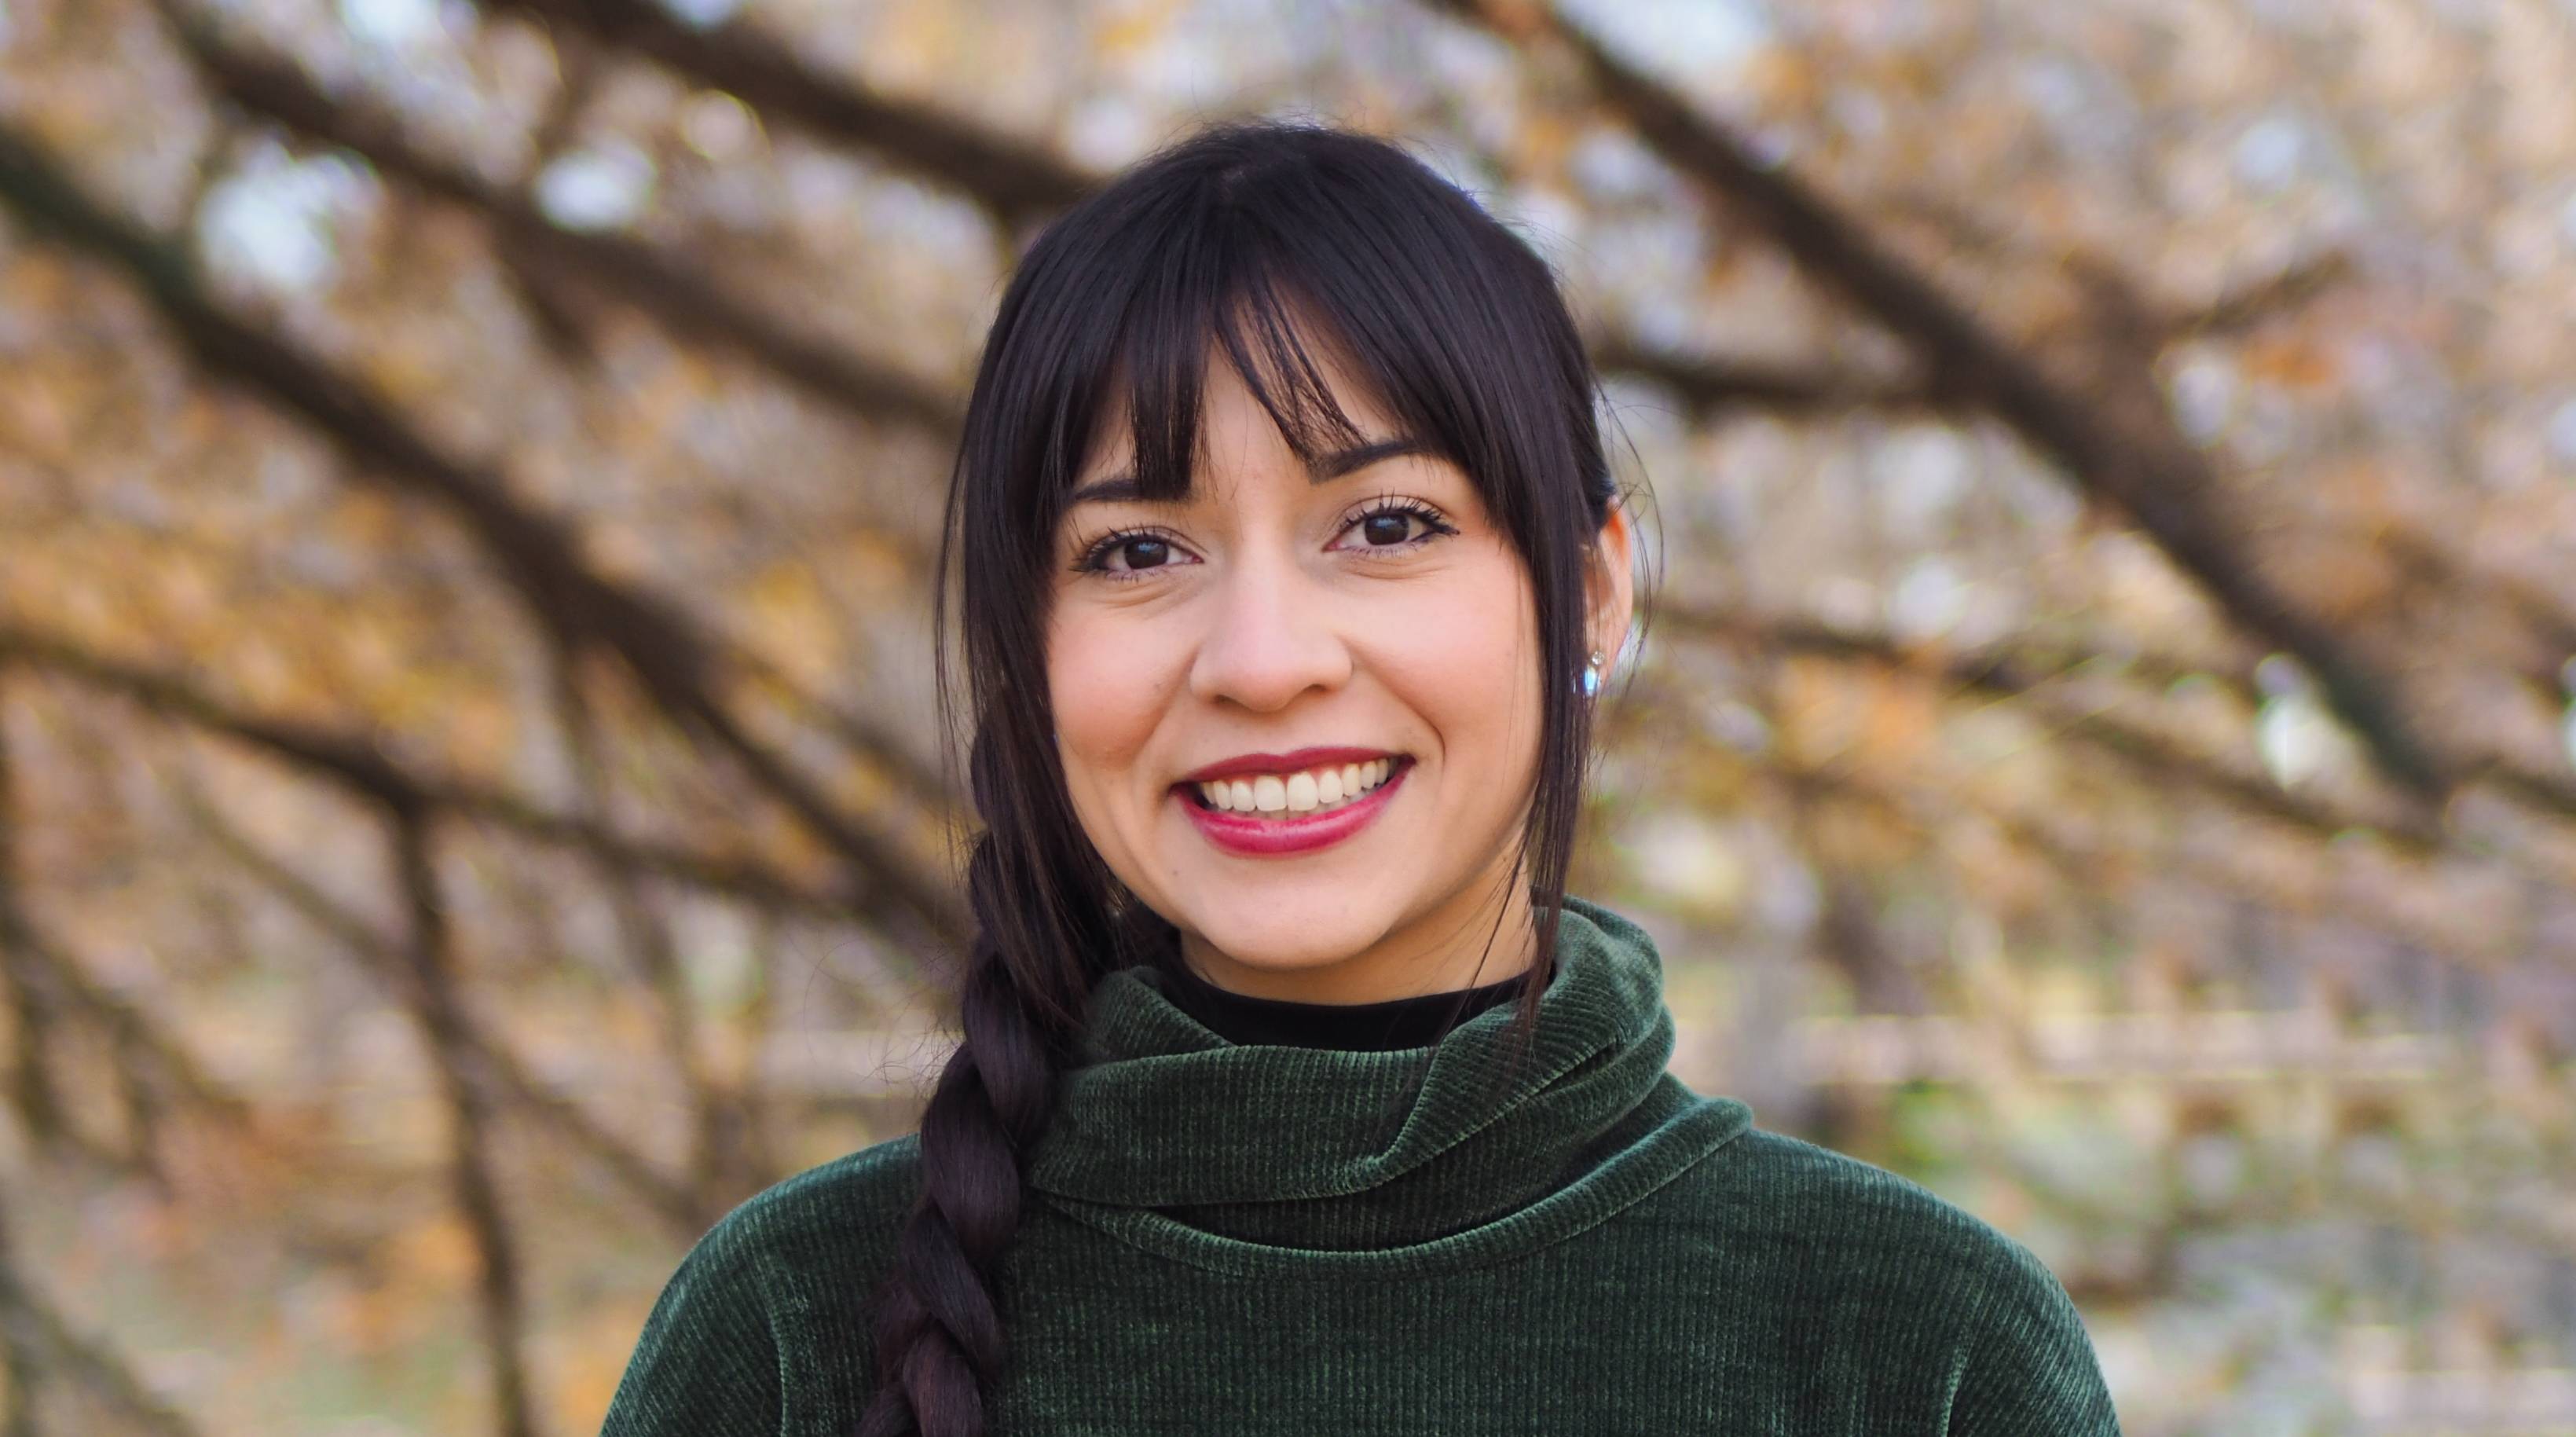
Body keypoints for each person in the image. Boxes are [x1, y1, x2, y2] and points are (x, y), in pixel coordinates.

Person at [599, 119, 2122, 1437]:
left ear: (1587, 592)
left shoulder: (1906, 1344)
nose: (1261, 659)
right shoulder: (792, 1326)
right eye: (1136, 551)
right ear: (1022, 644)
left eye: (1384, 525)